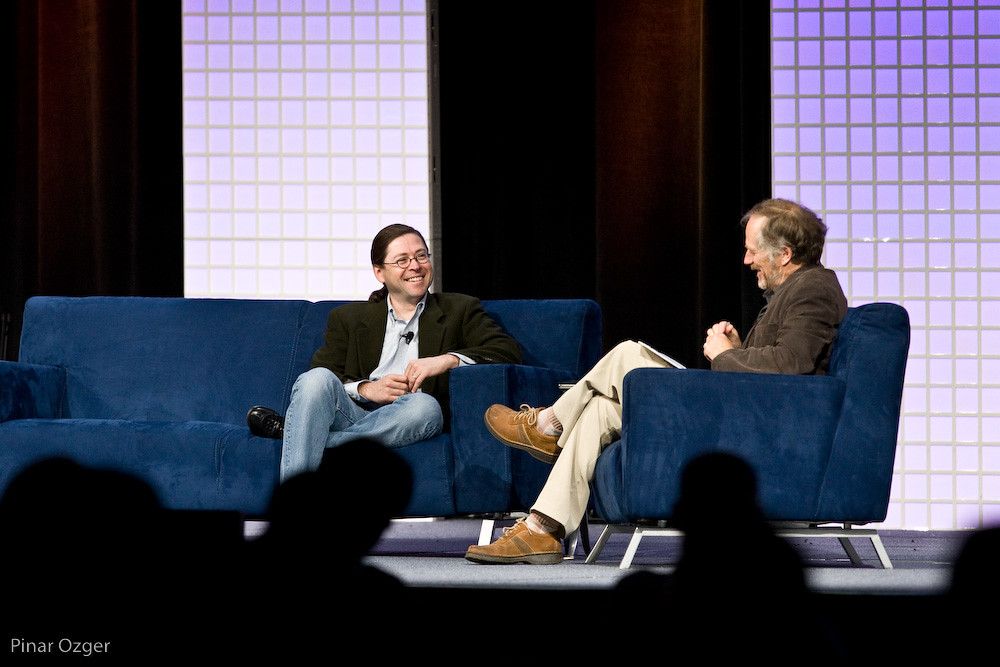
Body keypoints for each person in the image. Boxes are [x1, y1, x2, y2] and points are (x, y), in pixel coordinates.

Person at [466, 198, 848, 564]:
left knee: (629, 353)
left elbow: (790, 364)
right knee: (600, 409)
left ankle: (548, 424)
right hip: (741, 412)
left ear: (784, 255)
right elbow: (777, 361)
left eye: (753, 250)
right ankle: (542, 529)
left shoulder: (812, 288)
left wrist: (723, 354)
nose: (746, 259)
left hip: (751, 427)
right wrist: (738, 348)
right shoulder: (795, 289)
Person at [248, 223, 521, 481]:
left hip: (409, 416)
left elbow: (506, 351)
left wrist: (447, 360)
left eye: (421, 256)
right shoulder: (349, 318)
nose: (415, 266)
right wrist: (367, 389)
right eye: (402, 260)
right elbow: (324, 377)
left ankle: (296, 433)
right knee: (315, 379)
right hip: (354, 413)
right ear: (380, 272)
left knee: (425, 406)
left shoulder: (459, 309)